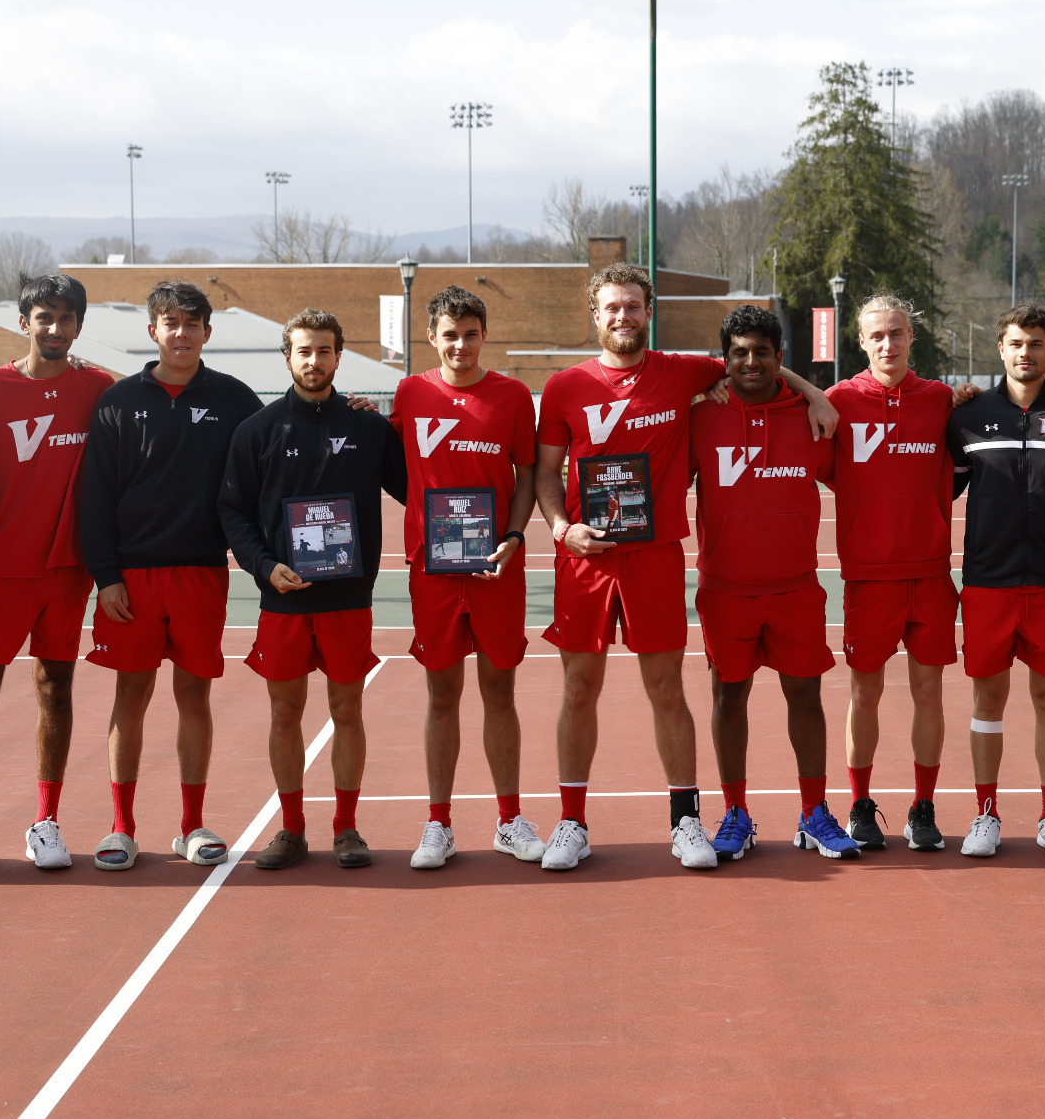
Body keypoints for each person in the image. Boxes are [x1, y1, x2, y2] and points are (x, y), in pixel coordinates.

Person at [532, 263, 837, 871]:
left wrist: (814, 392)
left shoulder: (681, 372)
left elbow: (755, 365)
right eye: (613, 307)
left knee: (667, 690)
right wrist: (562, 530)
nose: (624, 316)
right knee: (578, 689)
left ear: (650, 312)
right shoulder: (565, 387)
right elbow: (544, 473)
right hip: (587, 559)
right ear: (595, 314)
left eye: (634, 306)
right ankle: (571, 822)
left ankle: (686, 821)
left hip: (657, 556)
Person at [79, 281, 262, 871]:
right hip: (130, 578)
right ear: (152, 330)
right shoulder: (116, 401)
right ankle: (121, 827)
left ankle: (192, 825)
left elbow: (280, 447)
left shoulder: (236, 400)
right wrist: (106, 576)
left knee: (193, 695)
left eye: (192, 322)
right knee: (130, 694)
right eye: (170, 322)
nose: (181, 332)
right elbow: (95, 498)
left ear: (208, 332)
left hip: (201, 574)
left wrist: (353, 408)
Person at [219, 309, 406, 869]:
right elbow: (232, 510)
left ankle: (347, 829)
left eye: (324, 351)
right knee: (284, 713)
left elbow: (415, 491)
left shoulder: (369, 427)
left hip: (348, 599)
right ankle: (292, 829)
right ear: (288, 357)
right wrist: (263, 565)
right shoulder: (257, 430)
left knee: (348, 711)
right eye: (304, 351)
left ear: (337, 356)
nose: (314, 361)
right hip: (285, 595)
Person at [0, 274, 114, 874]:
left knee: (55, 690)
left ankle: (47, 821)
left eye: (67, 319)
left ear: (79, 326)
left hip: (67, 572)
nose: (55, 329)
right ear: (24, 323)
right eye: (44, 317)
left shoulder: (99, 387)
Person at [688, 305, 853, 861]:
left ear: (780, 358)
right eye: (739, 352)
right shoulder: (700, 415)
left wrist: (816, 397)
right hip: (725, 588)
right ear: (725, 359)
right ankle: (736, 813)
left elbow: (859, 477)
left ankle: (813, 813)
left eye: (762, 351)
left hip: (795, 587)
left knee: (805, 695)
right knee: (727, 697)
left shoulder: (814, 418)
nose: (751, 361)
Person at [391, 286, 545, 869]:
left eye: (470, 334)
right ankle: (439, 824)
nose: (460, 345)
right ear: (431, 337)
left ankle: (509, 820)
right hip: (432, 572)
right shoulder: (409, 393)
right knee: (441, 696)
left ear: (485, 335)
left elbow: (527, 476)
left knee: (499, 693)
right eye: (449, 335)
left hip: (495, 568)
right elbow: (386, 455)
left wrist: (512, 535)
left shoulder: (509, 396)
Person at [946, 304, 1045, 858]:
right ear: (1001, 348)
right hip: (987, 580)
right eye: (1015, 343)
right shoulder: (967, 415)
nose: (1025, 353)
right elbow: (941, 493)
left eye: (1036, 343)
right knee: (988, 699)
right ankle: (985, 814)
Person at [828, 295, 960, 852]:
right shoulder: (836, 402)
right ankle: (859, 805)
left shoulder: (943, 401)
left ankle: (922, 807)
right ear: (861, 341)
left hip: (929, 572)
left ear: (913, 338)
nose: (889, 344)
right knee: (866, 693)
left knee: (929, 693)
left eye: (898, 334)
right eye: (877, 335)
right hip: (868, 575)